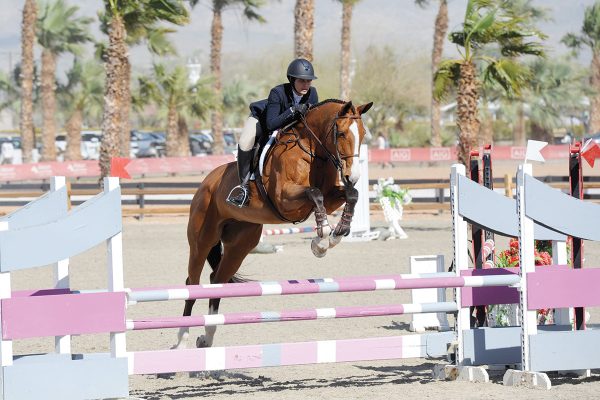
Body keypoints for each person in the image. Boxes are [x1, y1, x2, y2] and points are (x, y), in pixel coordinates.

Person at [227, 58, 319, 207]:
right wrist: (292, 110)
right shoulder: (277, 92)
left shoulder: (312, 93)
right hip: (262, 120)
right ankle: (243, 188)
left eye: (309, 81)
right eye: (302, 81)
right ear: (292, 79)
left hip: (288, 126)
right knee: (245, 142)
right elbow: (271, 124)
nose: (306, 85)